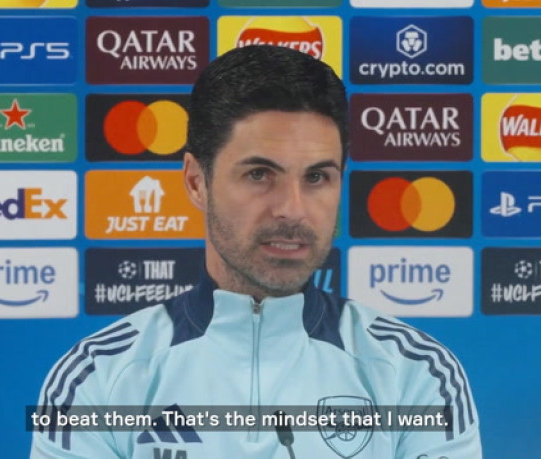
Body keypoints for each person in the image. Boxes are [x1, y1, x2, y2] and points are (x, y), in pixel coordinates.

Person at [31, 45, 481, 459]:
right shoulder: (98, 378)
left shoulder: (415, 374)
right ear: (196, 181)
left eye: (317, 177)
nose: (292, 209)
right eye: (260, 174)